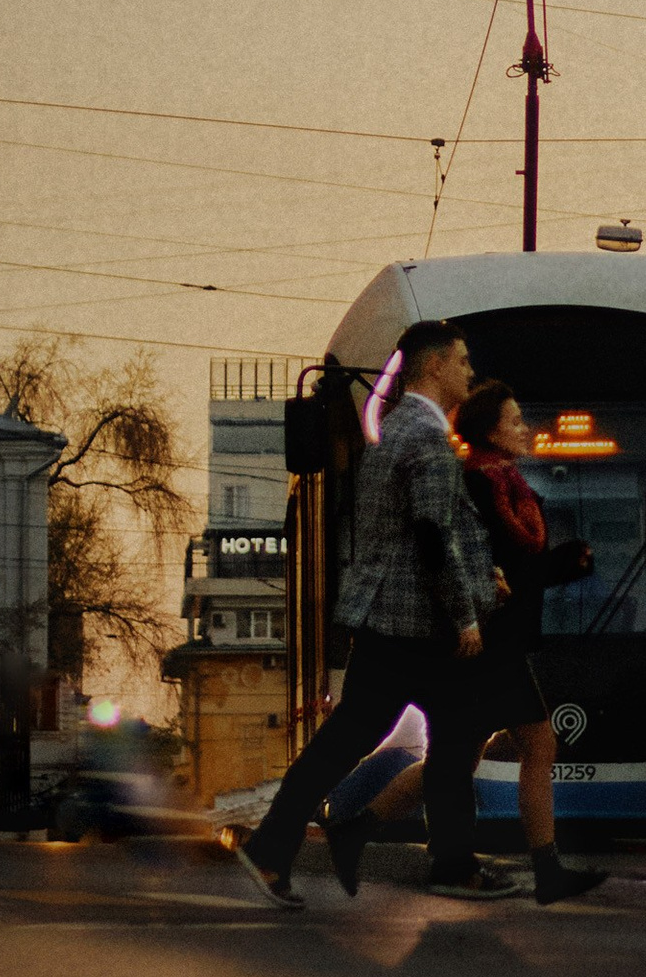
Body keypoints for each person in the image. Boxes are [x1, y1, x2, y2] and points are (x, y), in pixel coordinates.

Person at [231, 319, 512, 908]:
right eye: (461, 361)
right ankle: (452, 865)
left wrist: (483, 575)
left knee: (358, 739)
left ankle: (273, 848)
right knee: (452, 736)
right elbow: (434, 534)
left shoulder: (393, 432)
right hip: (421, 629)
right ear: (433, 367)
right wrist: (465, 615)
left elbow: (414, 535)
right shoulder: (428, 442)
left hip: (387, 623)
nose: (469, 371)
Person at [335, 381, 606, 906]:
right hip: (488, 643)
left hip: (493, 641)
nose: (526, 429)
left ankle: (356, 831)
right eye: (514, 420)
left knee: (455, 757)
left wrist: (554, 567)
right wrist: (568, 562)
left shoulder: (506, 485)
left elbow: (514, 572)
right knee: (537, 744)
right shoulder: (482, 487)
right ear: (489, 432)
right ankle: (546, 871)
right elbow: (500, 571)